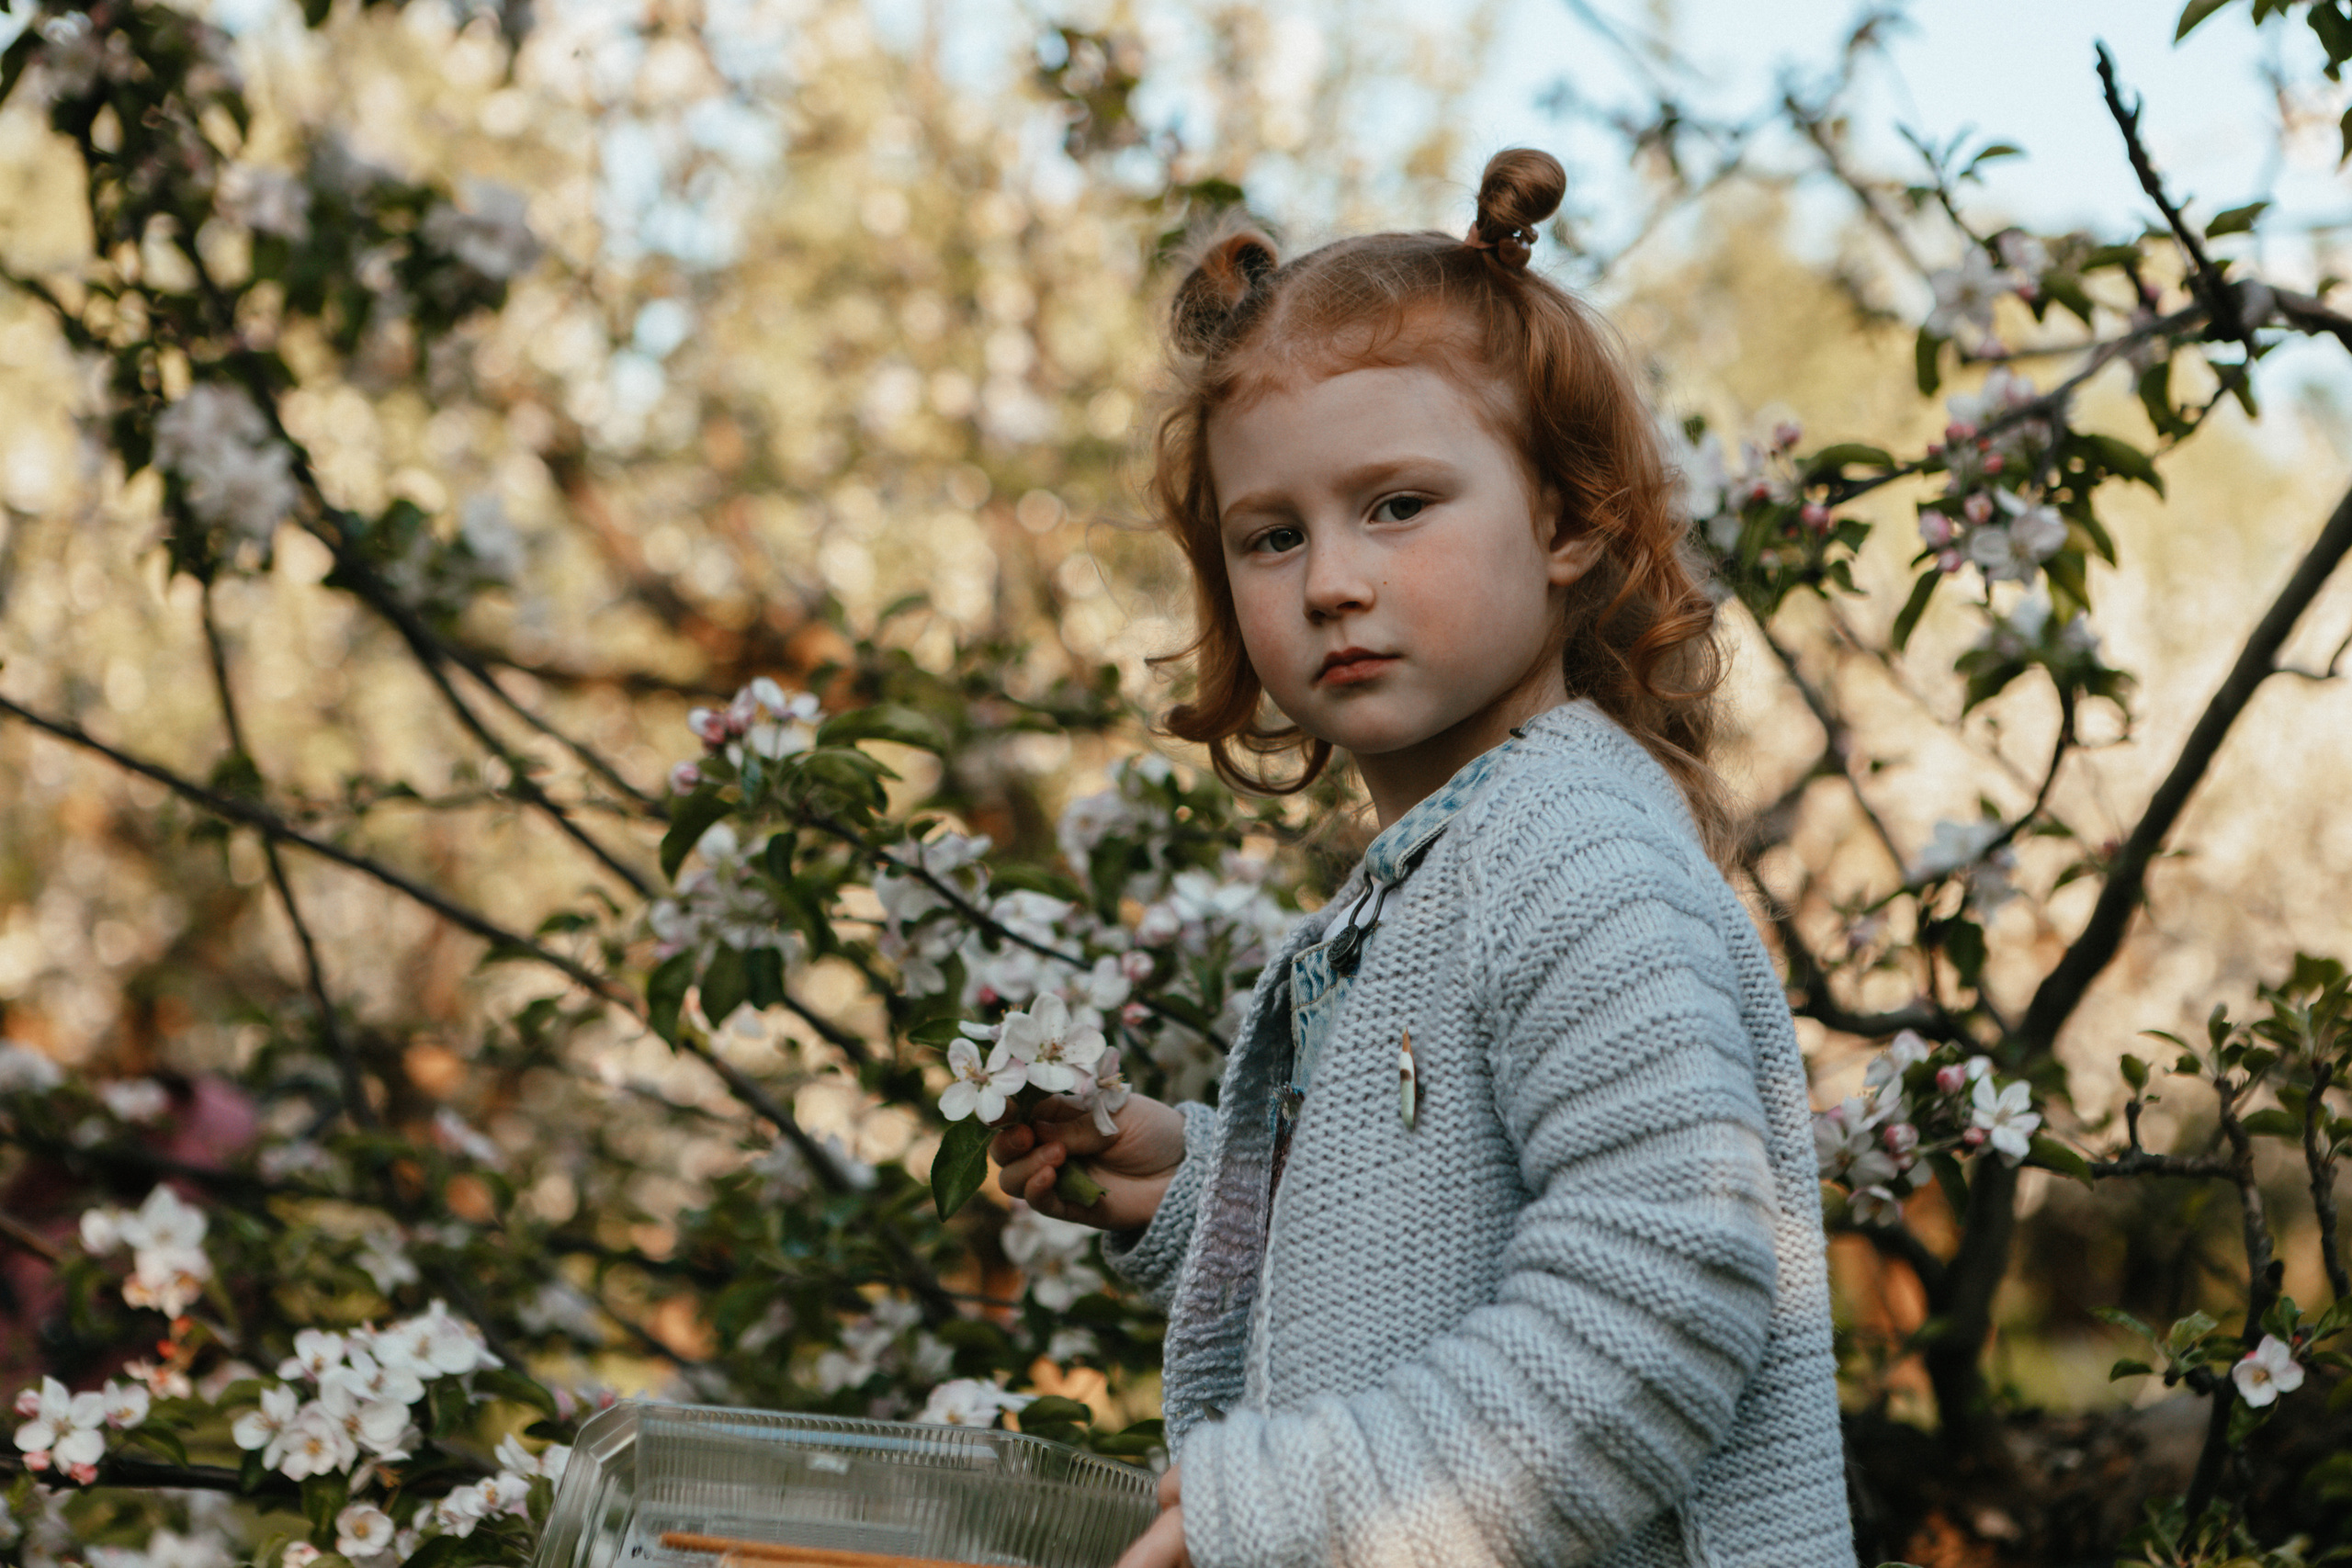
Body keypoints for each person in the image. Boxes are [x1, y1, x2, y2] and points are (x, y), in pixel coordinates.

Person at [989, 148, 1851, 1568]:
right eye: (1272, 535)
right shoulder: (1446, 863)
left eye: (1397, 505)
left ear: (1567, 519)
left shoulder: (1568, 847)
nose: (1332, 578)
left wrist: (1290, 1511)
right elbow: (1432, 1239)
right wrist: (1204, 1184)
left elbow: (1671, 1285)